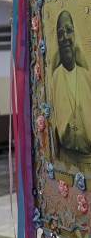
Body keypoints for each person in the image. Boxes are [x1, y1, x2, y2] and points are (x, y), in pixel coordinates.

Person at [50, 11, 91, 172]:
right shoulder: (55, 77)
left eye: (69, 30)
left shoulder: (87, 76)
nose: (65, 37)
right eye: (60, 33)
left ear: (75, 35)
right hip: (67, 159)